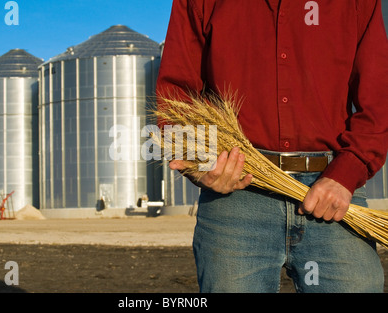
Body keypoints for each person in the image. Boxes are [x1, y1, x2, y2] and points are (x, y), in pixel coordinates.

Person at [156, 0, 388, 292]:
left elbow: (379, 97)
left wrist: (347, 172)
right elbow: (176, 95)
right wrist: (200, 161)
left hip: (333, 194)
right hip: (235, 197)